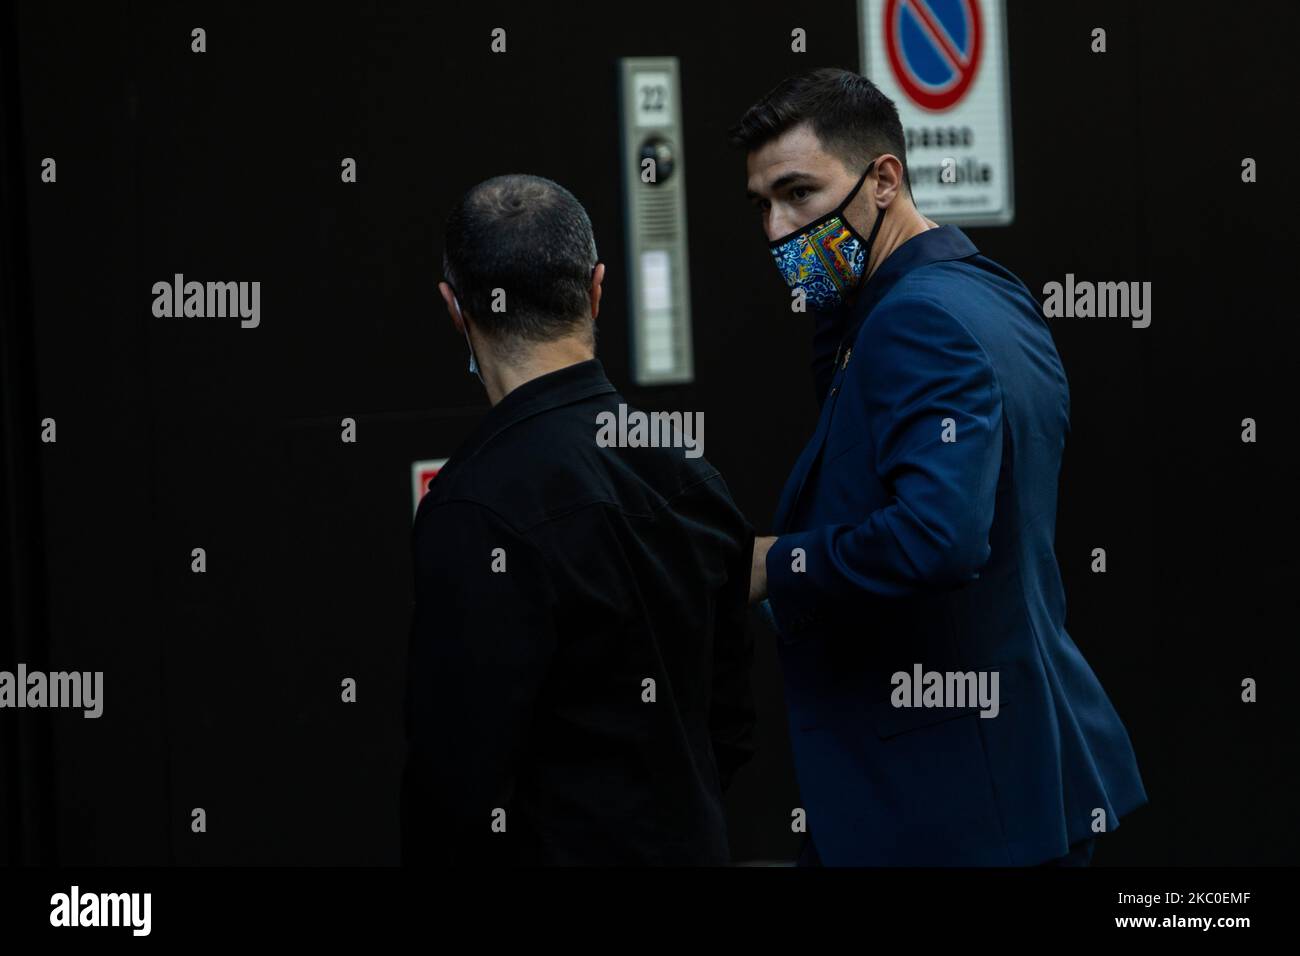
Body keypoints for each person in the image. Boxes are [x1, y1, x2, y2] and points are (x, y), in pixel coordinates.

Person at [734, 68, 1147, 865]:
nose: (778, 229)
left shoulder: (917, 319)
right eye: (762, 204)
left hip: (954, 801)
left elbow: (940, 537)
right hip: (991, 779)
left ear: (883, 179)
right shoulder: (979, 292)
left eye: (798, 194)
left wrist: (772, 564)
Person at [401, 174, 755, 865]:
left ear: (454, 308)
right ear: (596, 289)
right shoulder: (691, 475)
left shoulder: (472, 508)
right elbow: (731, 728)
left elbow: (455, 786)